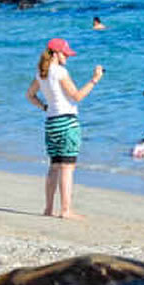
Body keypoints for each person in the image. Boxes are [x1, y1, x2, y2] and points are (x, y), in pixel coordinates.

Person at [25, 37, 103, 220]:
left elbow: (29, 95)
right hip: (67, 122)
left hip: (51, 122)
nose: (67, 56)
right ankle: (66, 210)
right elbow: (76, 96)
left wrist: (45, 107)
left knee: (54, 166)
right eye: (65, 53)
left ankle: (49, 208)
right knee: (67, 167)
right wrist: (94, 80)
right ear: (56, 53)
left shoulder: (41, 72)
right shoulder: (60, 72)